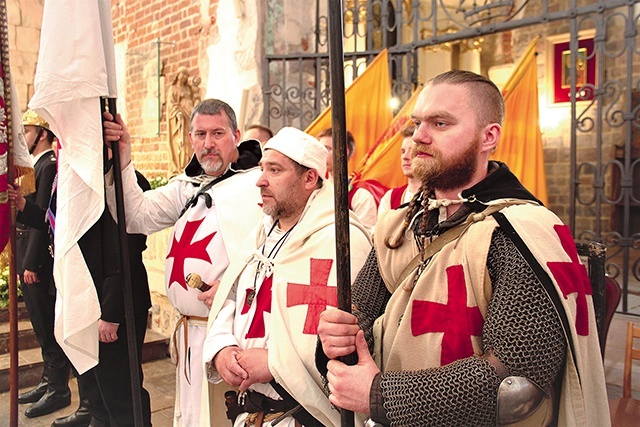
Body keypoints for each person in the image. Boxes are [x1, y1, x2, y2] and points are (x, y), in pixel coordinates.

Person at [316, 70, 610, 426]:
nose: (420, 136)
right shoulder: (397, 227)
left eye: (440, 123)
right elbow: (361, 316)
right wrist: (339, 338)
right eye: (418, 122)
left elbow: (515, 387)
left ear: (489, 137)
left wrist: (381, 395)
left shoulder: (521, 232)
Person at [103, 98, 264, 426]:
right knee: (190, 417)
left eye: (218, 133)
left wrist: (237, 283)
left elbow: (275, 249)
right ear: (190, 139)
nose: (208, 144)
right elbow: (136, 217)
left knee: (221, 418)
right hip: (188, 331)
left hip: (230, 334)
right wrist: (122, 160)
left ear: (236, 134)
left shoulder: (258, 185)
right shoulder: (186, 187)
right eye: (200, 134)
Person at [201, 127, 372, 427]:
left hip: (302, 416)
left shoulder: (342, 241)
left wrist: (272, 363)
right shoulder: (261, 233)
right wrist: (222, 347)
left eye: (275, 170)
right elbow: (232, 297)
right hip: (249, 409)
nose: (260, 180)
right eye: (263, 168)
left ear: (309, 179)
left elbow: (353, 337)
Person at [9, 169, 154, 427]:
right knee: (96, 392)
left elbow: (127, 251)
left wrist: (111, 312)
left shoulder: (127, 182)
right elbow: (58, 225)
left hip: (113, 307)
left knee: (121, 395)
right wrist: (22, 205)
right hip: (81, 300)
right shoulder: (74, 177)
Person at [15, 109, 72, 419]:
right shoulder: (37, 165)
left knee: (48, 325)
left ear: (43, 135)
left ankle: (58, 388)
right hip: (28, 254)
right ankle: (49, 381)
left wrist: (32, 263)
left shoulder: (48, 165)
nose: (24, 137)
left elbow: (45, 220)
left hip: (36, 258)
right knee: (39, 323)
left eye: (28, 131)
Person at [317, 128, 378, 232]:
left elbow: (365, 236)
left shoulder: (360, 195)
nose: (321, 154)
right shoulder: (317, 189)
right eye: (320, 149)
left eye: (326, 149)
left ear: (343, 151)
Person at [376, 124, 421, 222]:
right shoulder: (390, 197)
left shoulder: (438, 196)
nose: (405, 157)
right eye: (403, 151)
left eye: (412, 151)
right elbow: (380, 234)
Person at [167, 66, 199, 175]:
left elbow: (195, 97)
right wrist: (177, 112)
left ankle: (190, 164)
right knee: (181, 141)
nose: (185, 77)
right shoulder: (173, 88)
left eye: (187, 75)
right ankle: (181, 166)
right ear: (178, 75)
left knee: (191, 140)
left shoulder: (189, 88)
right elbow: (172, 103)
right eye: (183, 74)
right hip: (181, 117)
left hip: (191, 114)